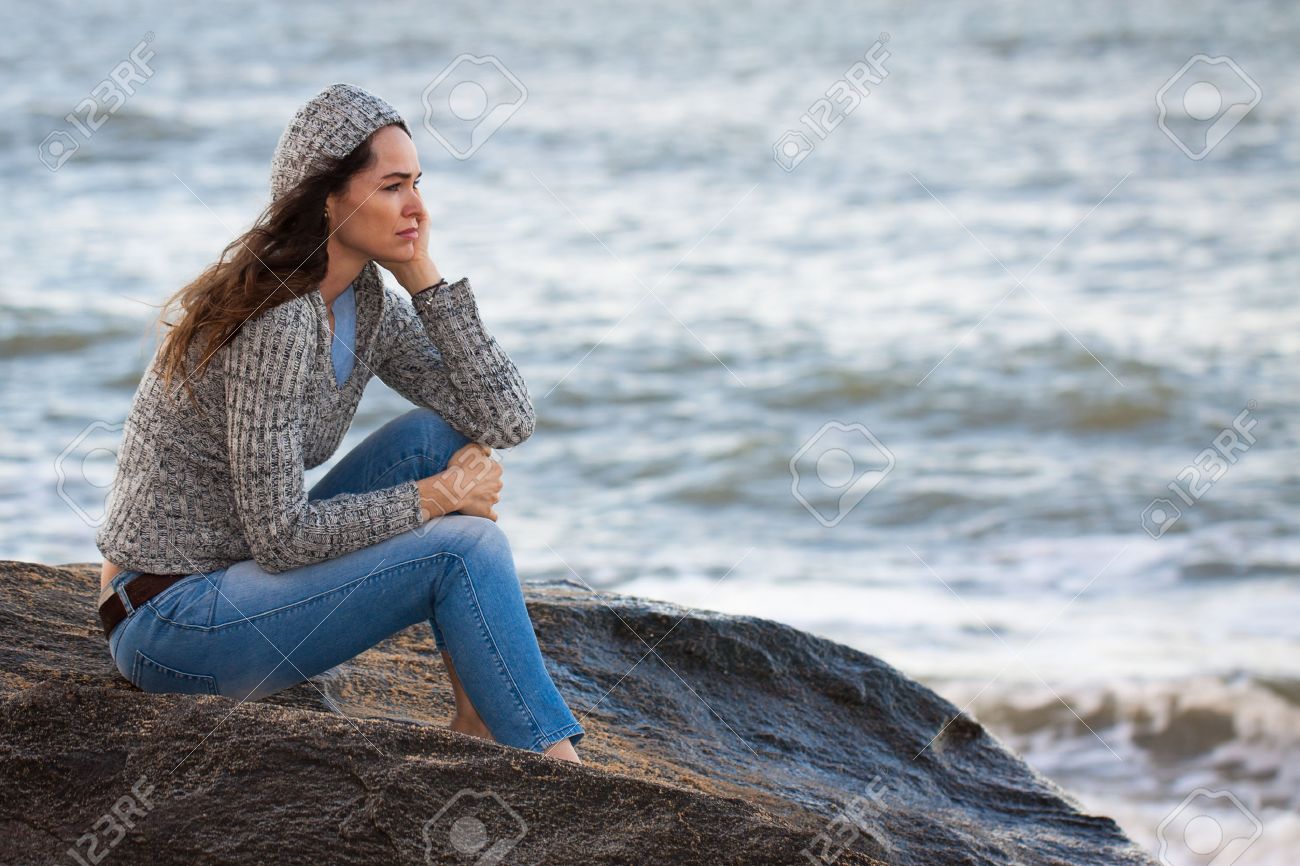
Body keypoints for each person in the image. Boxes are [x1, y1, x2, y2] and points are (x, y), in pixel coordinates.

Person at [94, 83, 584, 762]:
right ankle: (555, 765)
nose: (417, 207)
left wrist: (428, 283)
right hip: (168, 620)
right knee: (464, 547)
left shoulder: (362, 300)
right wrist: (437, 501)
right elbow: (282, 538)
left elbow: (505, 419)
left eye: (417, 183)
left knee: (433, 439)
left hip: (237, 575)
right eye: (391, 187)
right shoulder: (279, 317)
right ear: (327, 196)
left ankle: (477, 714)